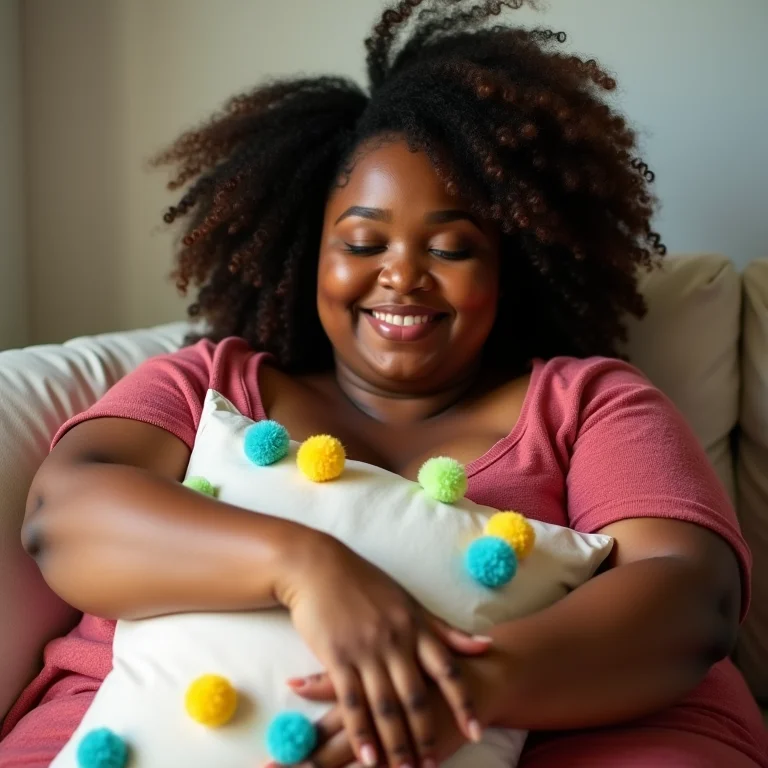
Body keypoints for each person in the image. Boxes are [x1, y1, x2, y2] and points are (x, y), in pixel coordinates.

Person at [1, 1, 766, 766]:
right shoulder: (211, 382)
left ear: (514, 266)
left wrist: (460, 692)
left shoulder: (588, 403)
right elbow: (63, 514)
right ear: (310, 254)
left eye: (453, 248)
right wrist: (304, 567)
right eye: (364, 241)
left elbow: (690, 595)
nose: (401, 274)